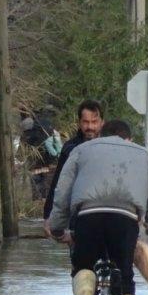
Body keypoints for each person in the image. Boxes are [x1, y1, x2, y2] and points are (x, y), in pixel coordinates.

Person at [48, 119, 148, 295]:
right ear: (129, 138)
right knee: (125, 278)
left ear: (102, 135)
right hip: (125, 219)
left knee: (84, 263)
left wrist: (57, 227)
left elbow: (62, 191)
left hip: (88, 216)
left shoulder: (82, 150)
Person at [41, 99, 104, 235]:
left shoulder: (111, 148)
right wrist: (48, 215)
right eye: (86, 122)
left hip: (105, 213)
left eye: (94, 122)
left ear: (102, 123)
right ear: (79, 123)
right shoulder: (70, 148)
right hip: (77, 214)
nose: (90, 127)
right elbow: (58, 182)